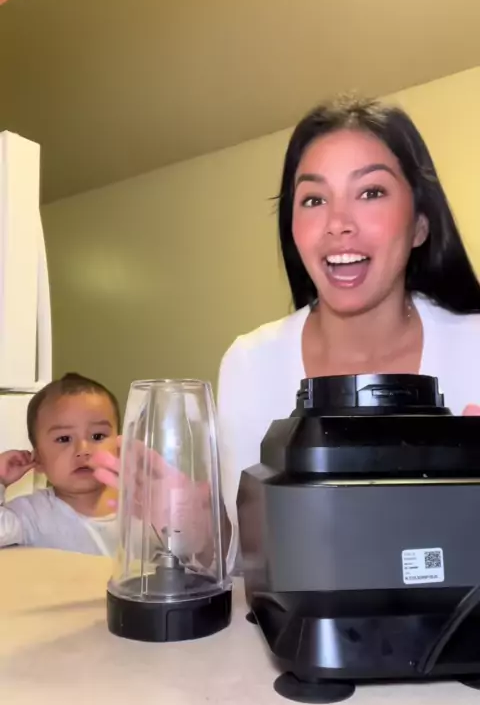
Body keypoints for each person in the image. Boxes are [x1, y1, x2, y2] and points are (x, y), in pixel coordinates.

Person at [94, 95, 480, 559]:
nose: (338, 223)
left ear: (419, 224)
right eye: (314, 199)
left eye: (370, 192)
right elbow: (249, 559)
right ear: (293, 232)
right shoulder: (250, 363)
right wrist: (196, 531)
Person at [0, 372, 120, 555]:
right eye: (64, 439)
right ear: (38, 459)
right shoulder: (32, 514)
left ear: (119, 447)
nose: (83, 450)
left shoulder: (140, 505)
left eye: (97, 436)